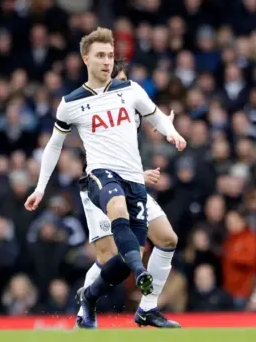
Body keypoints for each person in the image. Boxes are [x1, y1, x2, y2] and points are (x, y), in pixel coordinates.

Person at [24, 28, 186, 329]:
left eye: (111, 56)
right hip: (99, 182)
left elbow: (157, 117)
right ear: (85, 59)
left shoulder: (130, 91)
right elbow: (54, 145)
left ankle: (141, 307)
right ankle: (100, 303)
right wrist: (40, 187)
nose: (107, 61)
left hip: (132, 181)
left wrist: (172, 132)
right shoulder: (71, 103)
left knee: (165, 240)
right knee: (109, 246)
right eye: (101, 55)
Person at [75, 58, 180, 328]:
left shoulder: (131, 104)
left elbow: (144, 121)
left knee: (167, 239)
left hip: (132, 187)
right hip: (101, 190)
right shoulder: (92, 108)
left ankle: (147, 309)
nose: (118, 87)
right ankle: (84, 312)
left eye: (122, 81)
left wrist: (164, 127)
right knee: (112, 257)